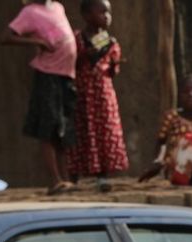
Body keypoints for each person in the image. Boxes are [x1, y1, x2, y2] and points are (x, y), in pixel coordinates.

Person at [2, 0, 78, 195]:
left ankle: (66, 179)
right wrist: (37, 41)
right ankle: (55, 180)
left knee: (63, 129)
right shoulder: (30, 12)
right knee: (48, 128)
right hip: (47, 75)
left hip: (65, 76)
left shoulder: (58, 7)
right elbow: (6, 37)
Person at [69, 0, 126, 191]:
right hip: (82, 94)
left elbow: (113, 69)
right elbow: (70, 61)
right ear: (86, 15)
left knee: (105, 133)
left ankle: (103, 176)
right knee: (80, 131)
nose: (106, 16)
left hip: (103, 95)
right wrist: (86, 55)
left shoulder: (111, 42)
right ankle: (73, 176)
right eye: (101, 12)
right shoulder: (76, 38)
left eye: (108, 12)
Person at [140, 74, 192, 186]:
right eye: (185, 92)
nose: (190, 95)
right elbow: (161, 142)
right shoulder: (172, 116)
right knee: (190, 144)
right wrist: (158, 162)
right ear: (179, 96)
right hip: (180, 166)